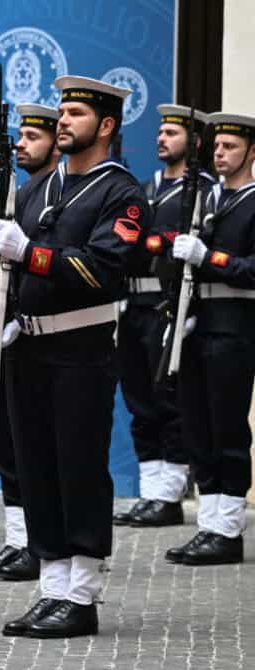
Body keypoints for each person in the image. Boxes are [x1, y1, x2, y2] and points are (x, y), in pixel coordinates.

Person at [0, 75, 148, 638]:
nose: (63, 121)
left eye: (76, 113)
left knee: (77, 468)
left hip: (81, 348)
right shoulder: (38, 188)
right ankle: (52, 587)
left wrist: (29, 253)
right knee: (37, 469)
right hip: (27, 345)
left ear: (105, 125)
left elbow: (103, 269)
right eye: (62, 112)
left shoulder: (120, 192)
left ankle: (81, 596)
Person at [0, 103, 60, 582]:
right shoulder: (19, 192)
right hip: (1, 330)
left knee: (30, 448)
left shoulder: (56, 194)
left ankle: (38, 545)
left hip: (34, 332)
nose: (22, 144)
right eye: (20, 136)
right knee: (3, 441)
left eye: (32, 136)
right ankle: (18, 538)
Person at [164, 111, 255, 566]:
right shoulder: (206, 198)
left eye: (230, 147)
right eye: (217, 146)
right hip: (197, 323)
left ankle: (229, 530)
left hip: (234, 326)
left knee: (227, 428)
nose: (220, 153)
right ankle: (209, 524)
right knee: (197, 427)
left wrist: (210, 257)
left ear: (252, 152)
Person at [114, 104, 211, 528]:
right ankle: (150, 491)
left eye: (172, 133)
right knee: (139, 400)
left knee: (168, 399)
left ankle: (170, 494)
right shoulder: (144, 188)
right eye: (161, 132)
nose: (161, 138)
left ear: (195, 142)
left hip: (167, 303)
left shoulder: (203, 190)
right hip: (133, 304)